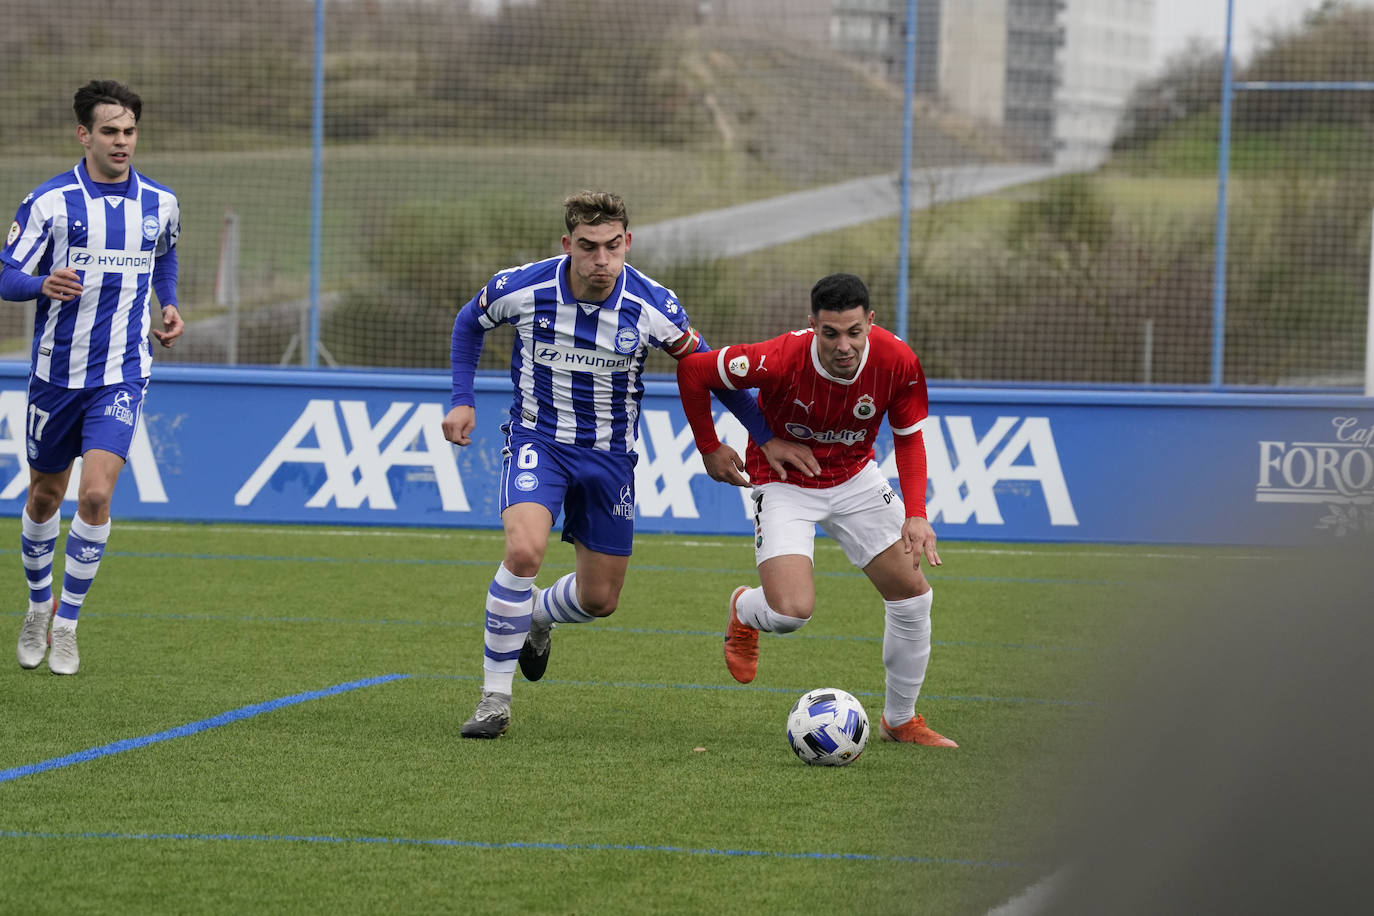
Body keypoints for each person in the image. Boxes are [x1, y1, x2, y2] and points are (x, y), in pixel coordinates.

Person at [442, 190, 817, 738]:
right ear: (567, 244)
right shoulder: (521, 286)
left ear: (628, 243)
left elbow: (709, 369)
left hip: (610, 458)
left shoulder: (653, 305)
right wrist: (462, 397)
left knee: (600, 599)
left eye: (612, 247)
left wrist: (762, 433)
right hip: (537, 440)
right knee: (524, 552)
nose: (601, 260)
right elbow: (468, 323)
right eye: (589, 247)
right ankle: (494, 701)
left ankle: (538, 618)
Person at [675, 272, 957, 747]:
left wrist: (916, 511)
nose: (843, 345)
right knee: (791, 613)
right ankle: (745, 610)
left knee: (913, 596)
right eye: (830, 333)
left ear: (870, 322)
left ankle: (900, 720)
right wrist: (712, 446)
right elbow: (695, 371)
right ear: (813, 326)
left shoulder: (898, 361)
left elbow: (909, 440)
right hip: (783, 482)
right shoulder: (781, 357)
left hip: (854, 478)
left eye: (853, 332)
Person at [2, 80, 184, 675]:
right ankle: (36, 606)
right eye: (109, 131)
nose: (122, 141)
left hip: (123, 374)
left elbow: (165, 254)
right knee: (45, 495)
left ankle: (68, 622)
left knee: (98, 494)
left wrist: (169, 303)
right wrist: (39, 284)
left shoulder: (160, 202)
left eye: (129, 131)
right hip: (56, 375)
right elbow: (7, 274)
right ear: (84, 134)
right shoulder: (50, 203)